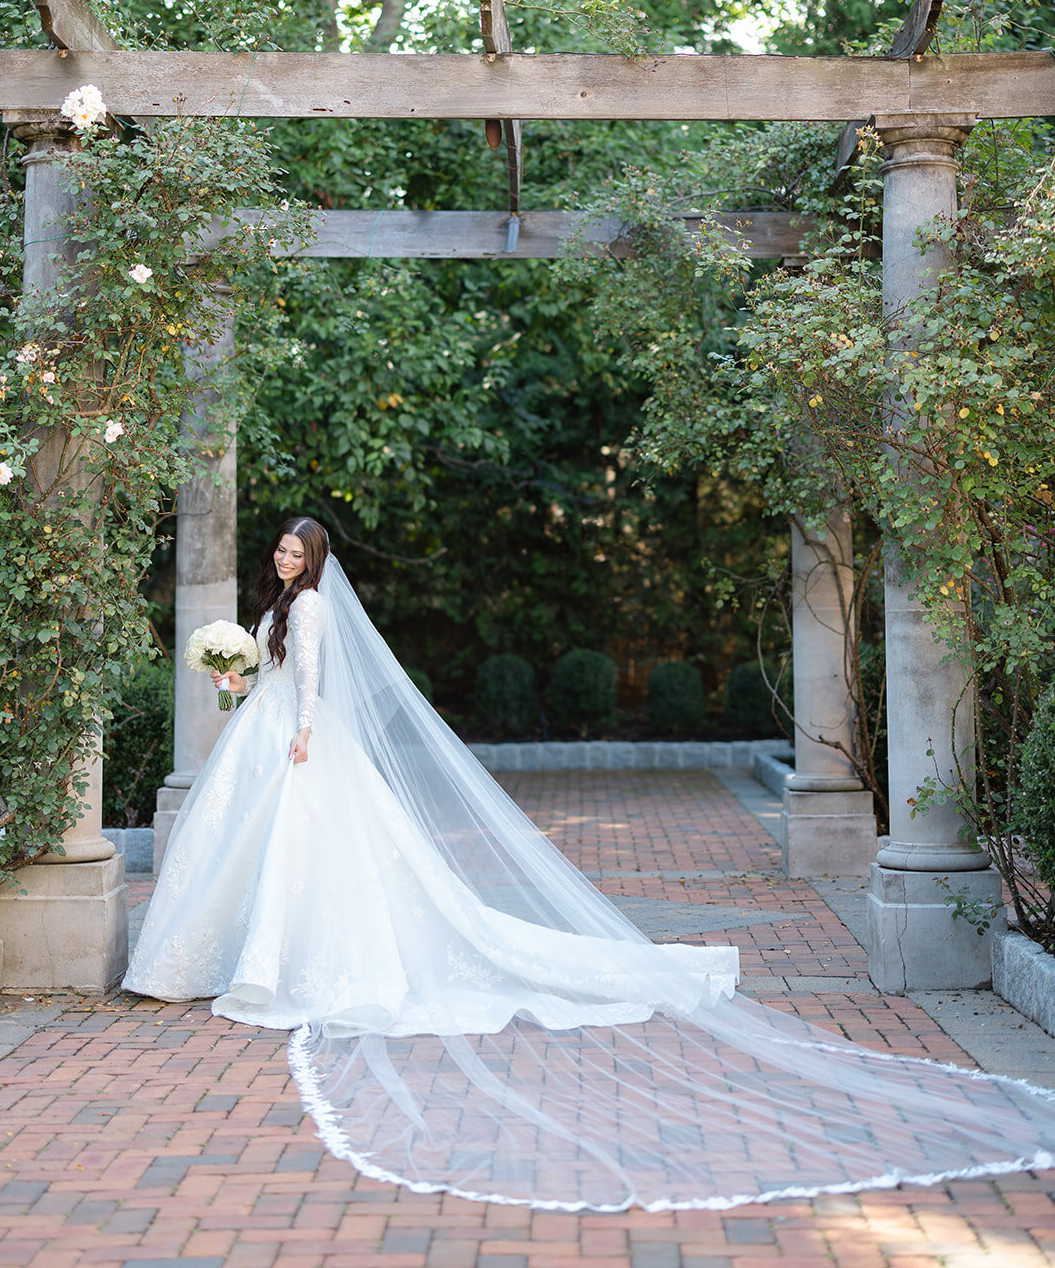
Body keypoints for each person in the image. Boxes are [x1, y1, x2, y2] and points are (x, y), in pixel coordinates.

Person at [125, 516, 1055, 1213]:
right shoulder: (279, 607)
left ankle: (277, 961)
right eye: (281, 551)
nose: (287, 559)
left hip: (297, 742)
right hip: (266, 732)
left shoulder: (316, 607)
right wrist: (234, 680)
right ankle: (249, 954)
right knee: (257, 851)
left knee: (304, 853)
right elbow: (270, 674)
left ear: (317, 559)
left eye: (297, 551)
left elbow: (312, 683)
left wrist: (301, 732)